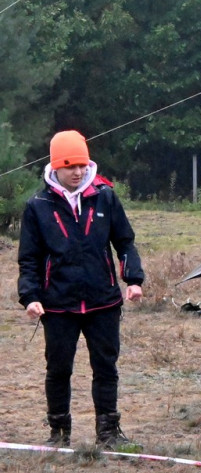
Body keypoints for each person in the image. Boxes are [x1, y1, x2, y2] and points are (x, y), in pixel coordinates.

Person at [19, 130, 145, 449]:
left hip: (103, 301)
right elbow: (29, 258)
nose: (77, 172)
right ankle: (59, 433)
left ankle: (108, 432)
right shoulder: (37, 206)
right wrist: (30, 296)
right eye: (70, 166)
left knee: (106, 367)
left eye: (82, 165)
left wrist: (133, 280)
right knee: (58, 369)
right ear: (56, 167)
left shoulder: (105, 196)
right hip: (58, 304)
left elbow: (125, 242)